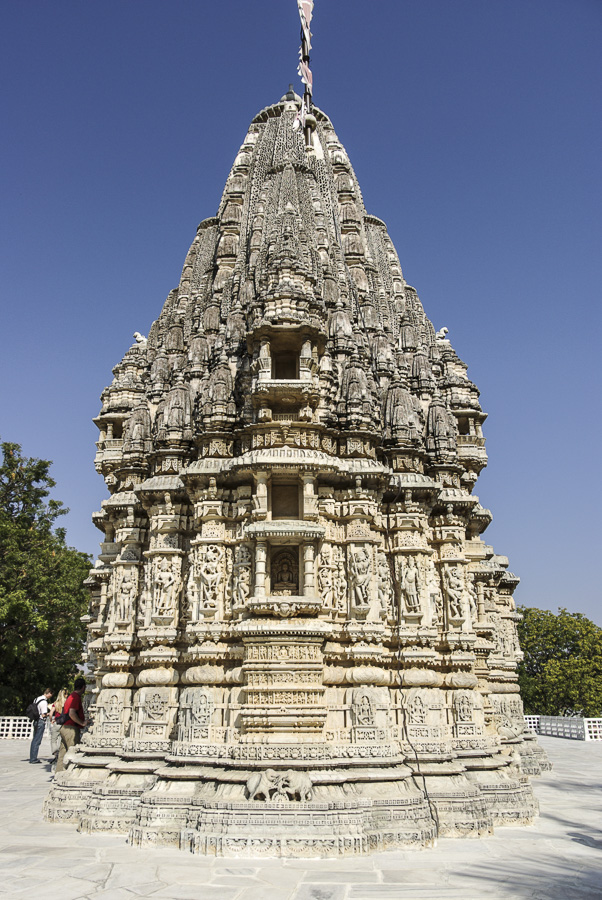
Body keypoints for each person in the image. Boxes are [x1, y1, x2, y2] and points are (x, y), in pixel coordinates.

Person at [55, 678, 89, 773]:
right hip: (70, 728)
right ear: (83, 687)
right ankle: (70, 773)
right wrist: (82, 723)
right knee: (73, 752)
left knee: (63, 753)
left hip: (65, 728)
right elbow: (72, 713)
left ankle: (59, 773)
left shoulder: (71, 696)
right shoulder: (75, 697)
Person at [29, 688, 53, 763]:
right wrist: (50, 713)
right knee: (37, 740)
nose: (51, 696)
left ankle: (32, 757)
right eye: (51, 694)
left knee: (34, 739)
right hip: (40, 721)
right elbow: (43, 714)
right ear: (49, 693)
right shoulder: (44, 702)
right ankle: (33, 759)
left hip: (35, 720)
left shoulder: (36, 699)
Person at [49, 688, 68, 770]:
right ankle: (61, 753)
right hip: (64, 724)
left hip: (57, 723)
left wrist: (51, 720)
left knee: (53, 740)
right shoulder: (67, 703)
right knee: (62, 740)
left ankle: (55, 752)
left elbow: (51, 714)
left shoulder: (56, 703)